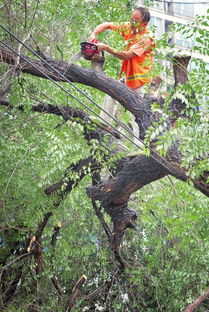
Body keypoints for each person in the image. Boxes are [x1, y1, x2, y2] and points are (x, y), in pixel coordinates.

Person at [88, 7, 155, 142]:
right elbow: (107, 24)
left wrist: (105, 47)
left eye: (135, 20)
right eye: (131, 19)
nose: (131, 22)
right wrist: (93, 34)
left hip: (141, 81)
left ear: (144, 23)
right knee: (111, 91)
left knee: (137, 112)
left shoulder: (146, 38)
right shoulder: (130, 27)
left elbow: (127, 56)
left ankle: (140, 147)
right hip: (129, 77)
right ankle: (104, 122)